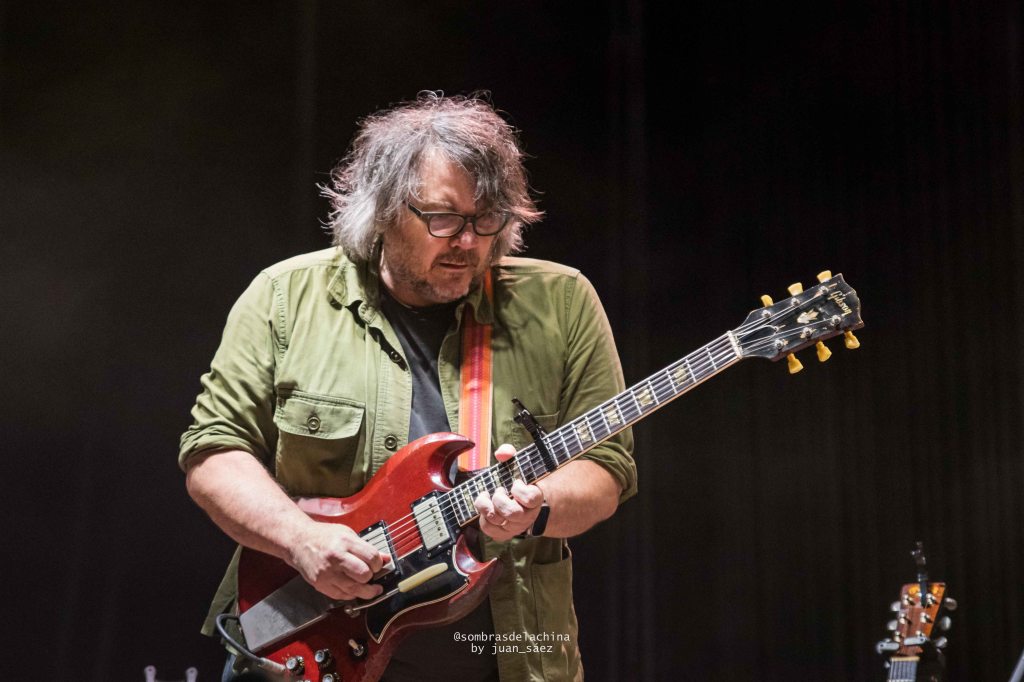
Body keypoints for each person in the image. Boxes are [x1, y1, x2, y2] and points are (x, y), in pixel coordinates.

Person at [179, 92, 637, 682]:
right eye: (443, 218)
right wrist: (300, 540)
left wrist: (537, 506)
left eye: (488, 219)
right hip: (305, 645)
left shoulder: (563, 302)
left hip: (507, 652)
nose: (468, 242)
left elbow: (606, 469)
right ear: (384, 210)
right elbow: (214, 453)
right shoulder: (284, 297)